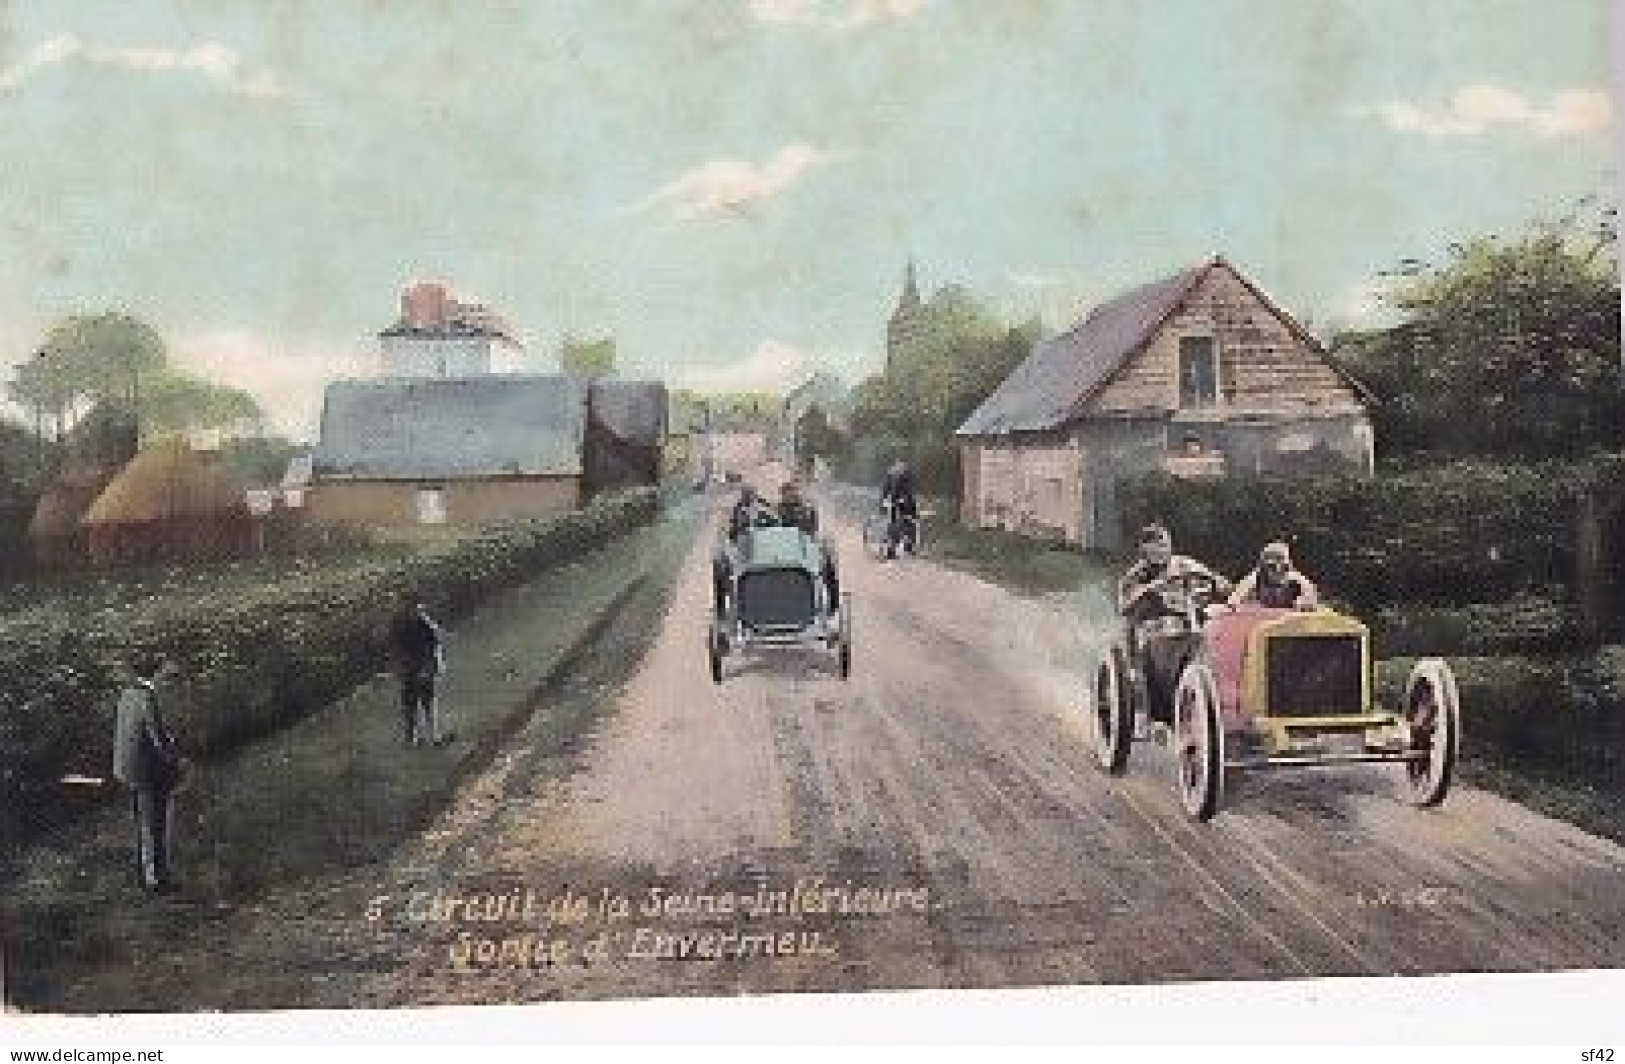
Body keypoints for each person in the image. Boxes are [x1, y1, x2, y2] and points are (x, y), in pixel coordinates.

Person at [1117, 524, 1231, 725]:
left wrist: (1218, 584)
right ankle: (1158, 710)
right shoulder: (1135, 576)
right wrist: (1147, 592)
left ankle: (1220, 701)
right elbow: (1126, 608)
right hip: (1153, 637)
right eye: (1154, 546)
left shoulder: (1186, 565)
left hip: (1189, 628)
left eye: (1163, 544)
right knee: (1158, 652)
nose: (1160, 550)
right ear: (1144, 551)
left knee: (1213, 635)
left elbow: (1218, 582)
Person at [111, 652, 186, 893]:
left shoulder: (127, 694)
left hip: (129, 770)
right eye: (162, 669)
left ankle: (149, 873)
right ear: (155, 671)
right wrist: (175, 761)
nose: (166, 674)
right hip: (147, 772)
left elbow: (132, 733)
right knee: (155, 824)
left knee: (145, 823)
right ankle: (156, 879)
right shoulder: (147, 697)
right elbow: (157, 738)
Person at [391, 598, 447, 746]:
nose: (418, 613)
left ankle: (432, 736)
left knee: (424, 702)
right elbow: (397, 650)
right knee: (413, 703)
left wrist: (435, 666)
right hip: (413, 668)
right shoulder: (404, 626)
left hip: (421, 668)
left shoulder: (425, 626)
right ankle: (417, 737)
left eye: (419, 611)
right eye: (416, 610)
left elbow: (436, 646)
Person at [1230, 541, 1320, 610]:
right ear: (1263, 564)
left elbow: (1312, 598)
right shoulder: (1255, 579)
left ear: (1287, 563)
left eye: (1279, 559)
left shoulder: (1296, 580)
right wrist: (1241, 601)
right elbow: (1234, 599)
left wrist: (1304, 602)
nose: (1277, 566)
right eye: (1271, 565)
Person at [878, 459, 919, 559]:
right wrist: (883, 502)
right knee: (895, 525)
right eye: (898, 465)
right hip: (895, 502)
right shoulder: (891, 474)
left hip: (907, 503)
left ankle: (909, 546)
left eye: (901, 465)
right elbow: (885, 489)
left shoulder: (908, 474)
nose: (899, 467)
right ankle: (891, 550)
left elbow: (910, 490)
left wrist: (905, 499)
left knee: (910, 523)